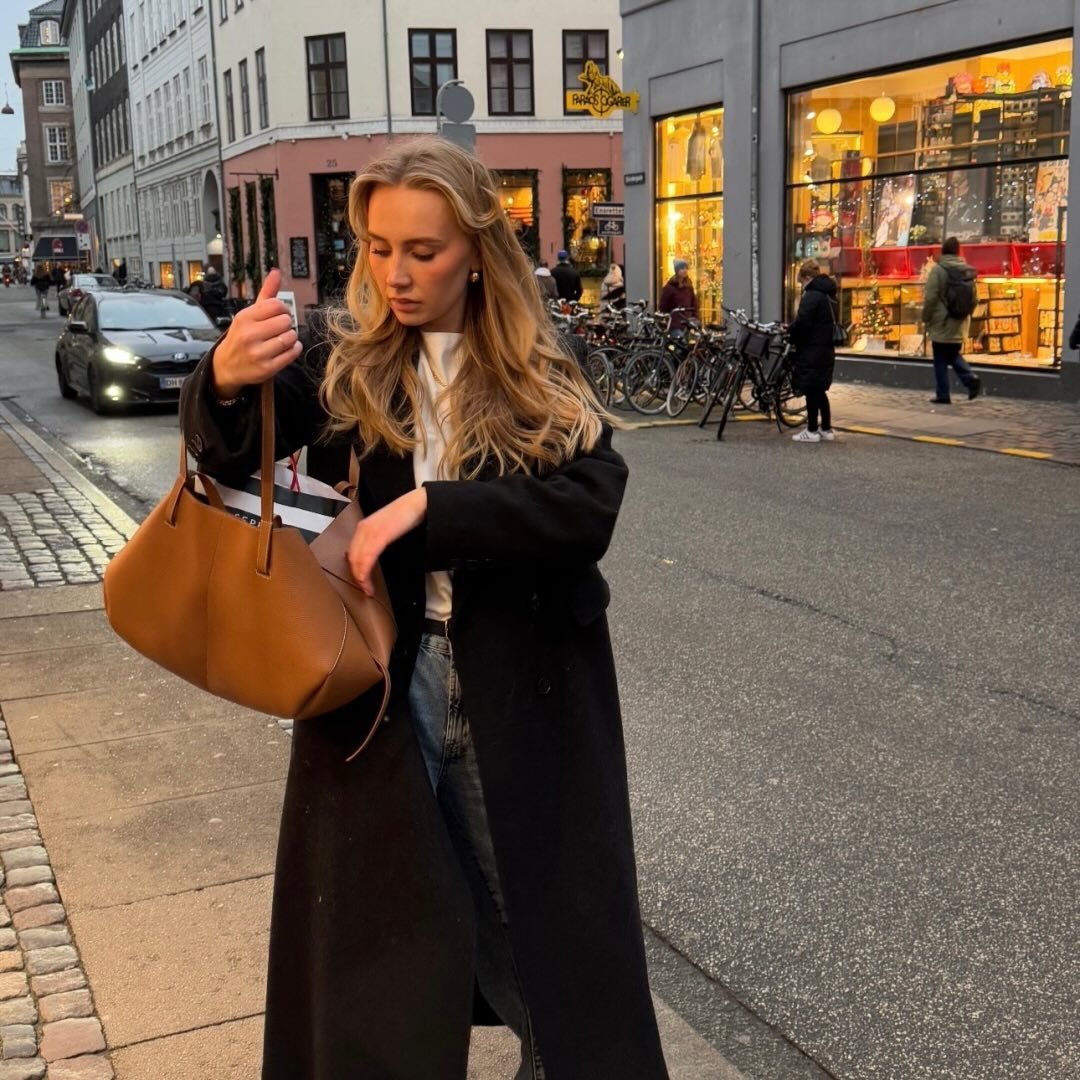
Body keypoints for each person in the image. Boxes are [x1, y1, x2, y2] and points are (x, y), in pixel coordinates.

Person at [179, 135, 669, 1080]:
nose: (394, 274)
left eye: (422, 250)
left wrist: (428, 510)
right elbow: (231, 454)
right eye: (376, 247)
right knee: (380, 959)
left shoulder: (537, 361)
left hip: (522, 693)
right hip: (378, 687)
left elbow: (589, 505)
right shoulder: (344, 358)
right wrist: (227, 379)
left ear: (477, 251)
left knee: (553, 953)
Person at [922, 237, 981, 404]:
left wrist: (926, 317)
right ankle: (968, 379)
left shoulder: (938, 270)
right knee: (952, 353)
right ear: (957, 251)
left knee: (940, 358)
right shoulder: (966, 271)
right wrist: (965, 314)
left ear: (943, 251)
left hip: (942, 321)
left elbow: (931, 297)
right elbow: (975, 298)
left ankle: (945, 393)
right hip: (960, 320)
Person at [787, 259, 838, 443]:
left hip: (811, 349)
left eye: (801, 282)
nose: (801, 286)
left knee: (810, 390)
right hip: (825, 349)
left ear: (807, 277)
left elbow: (803, 323)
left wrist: (789, 331)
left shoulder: (812, 295)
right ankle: (826, 428)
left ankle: (811, 430)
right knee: (819, 390)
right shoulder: (828, 295)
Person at [658, 259, 698, 330]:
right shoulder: (669, 288)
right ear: (677, 270)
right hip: (675, 324)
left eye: (686, 268)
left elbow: (694, 303)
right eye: (682, 268)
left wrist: (695, 318)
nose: (685, 270)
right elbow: (663, 307)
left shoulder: (688, 286)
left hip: (688, 323)